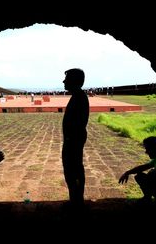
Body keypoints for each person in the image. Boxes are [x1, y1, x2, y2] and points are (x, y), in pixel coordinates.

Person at [62, 68, 89, 211]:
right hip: (73, 140)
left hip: (73, 141)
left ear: (74, 81)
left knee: (73, 170)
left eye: (66, 79)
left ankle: (77, 203)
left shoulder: (79, 97)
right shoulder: (78, 96)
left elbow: (79, 122)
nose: (63, 81)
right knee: (72, 170)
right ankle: (76, 200)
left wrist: (70, 139)